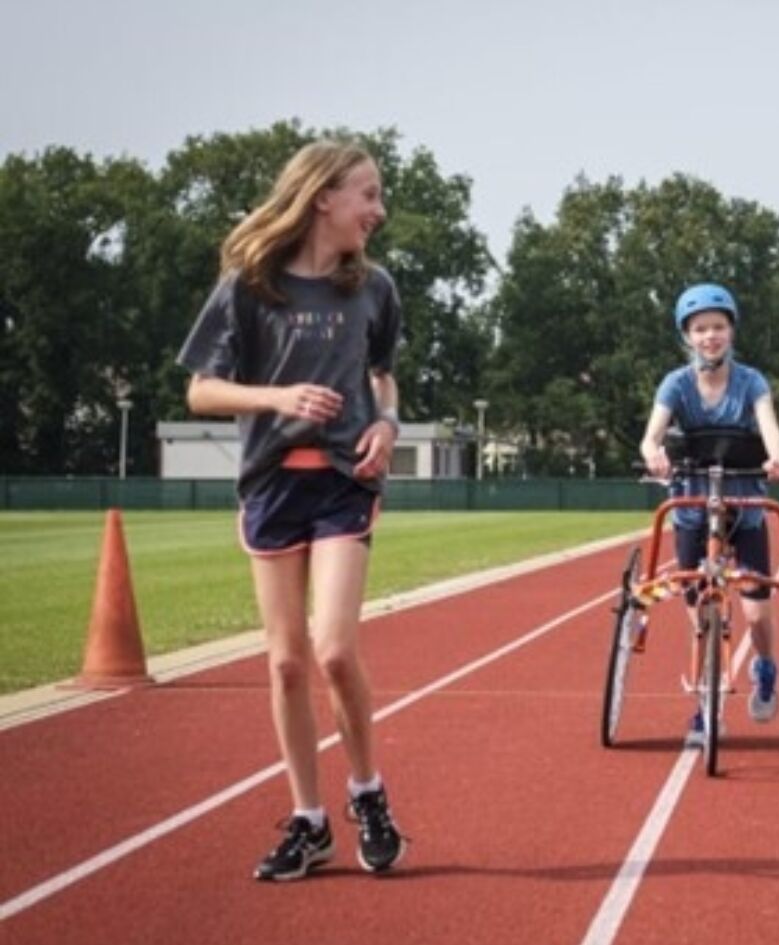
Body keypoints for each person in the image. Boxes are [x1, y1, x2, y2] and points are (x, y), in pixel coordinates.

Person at [177, 140, 407, 880]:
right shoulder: (249, 285)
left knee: (334, 648)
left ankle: (367, 792)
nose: (378, 209)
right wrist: (276, 397)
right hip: (273, 485)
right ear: (322, 200)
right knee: (283, 663)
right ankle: (309, 821)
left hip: (344, 481)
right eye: (367, 194)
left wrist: (387, 425)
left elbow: (384, 378)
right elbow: (201, 392)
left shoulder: (374, 288)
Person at [639, 283, 779, 744]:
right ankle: (705, 708)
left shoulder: (751, 381)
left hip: (744, 501)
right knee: (699, 609)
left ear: (731, 331)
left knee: (755, 612)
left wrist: (777, 458)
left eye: (718, 327)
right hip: (691, 502)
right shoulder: (676, 383)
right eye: (701, 329)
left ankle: (765, 668)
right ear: (687, 336)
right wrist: (653, 454)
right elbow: (651, 436)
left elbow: (770, 427)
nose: (710, 336)